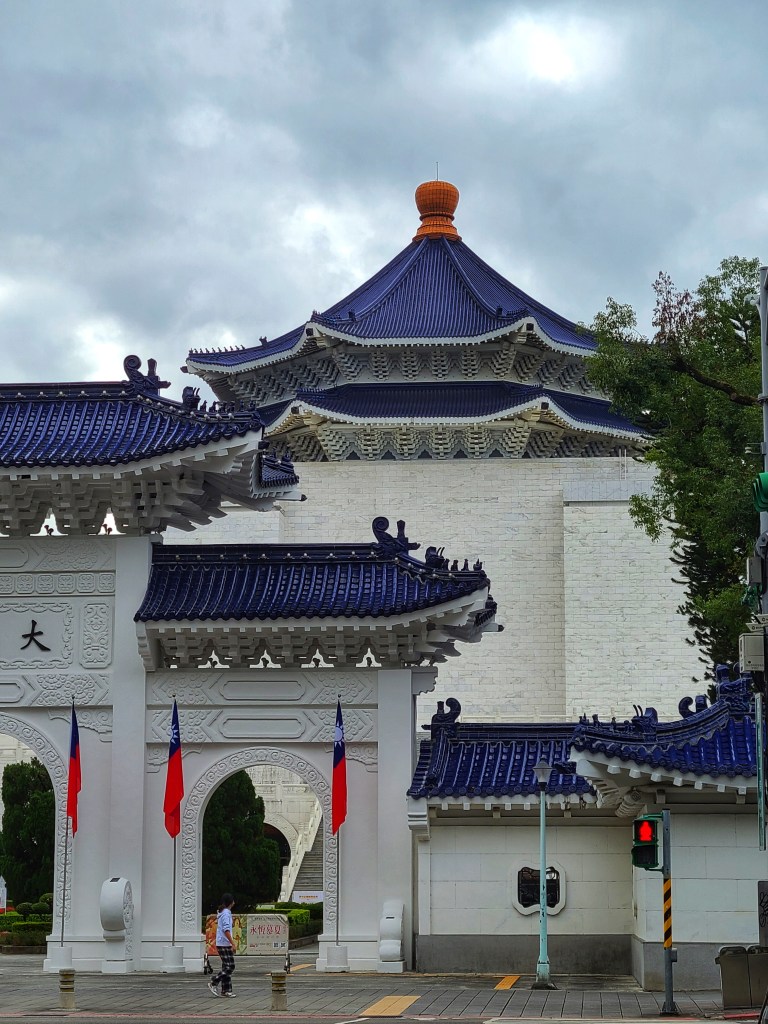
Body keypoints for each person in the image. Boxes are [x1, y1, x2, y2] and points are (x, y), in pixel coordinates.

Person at [208, 894, 237, 998]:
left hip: (223, 943)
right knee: (230, 966)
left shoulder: (225, 912)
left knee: (226, 966)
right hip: (224, 943)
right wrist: (232, 943)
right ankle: (214, 981)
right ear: (231, 902)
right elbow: (226, 929)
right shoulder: (225, 913)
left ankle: (226, 990)